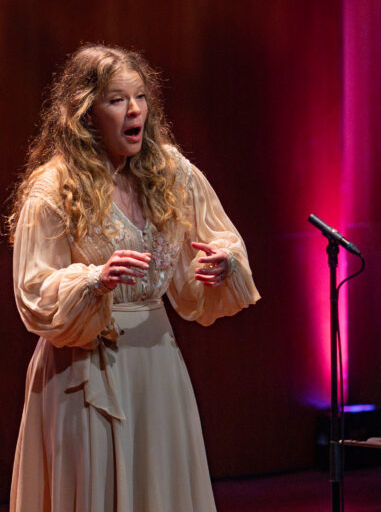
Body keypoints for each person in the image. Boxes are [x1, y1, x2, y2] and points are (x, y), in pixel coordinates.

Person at [6, 45, 260, 512]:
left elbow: (220, 239)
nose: (135, 109)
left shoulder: (170, 172)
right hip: (85, 367)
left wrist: (223, 262)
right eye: (117, 100)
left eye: (140, 97)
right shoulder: (52, 189)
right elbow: (34, 292)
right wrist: (93, 281)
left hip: (156, 363)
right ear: (85, 113)